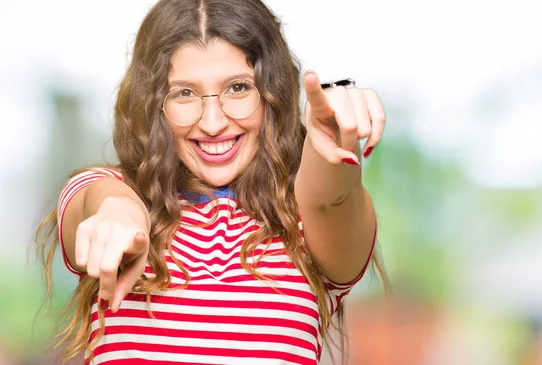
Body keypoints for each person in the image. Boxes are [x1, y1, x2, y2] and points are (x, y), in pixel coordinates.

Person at [35, 0, 389, 364]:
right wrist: (119, 210)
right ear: (153, 104)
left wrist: (331, 141)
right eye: (184, 93)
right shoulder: (108, 192)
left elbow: (329, 197)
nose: (213, 122)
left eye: (238, 88)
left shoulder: (303, 225)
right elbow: (95, 197)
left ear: (272, 94)